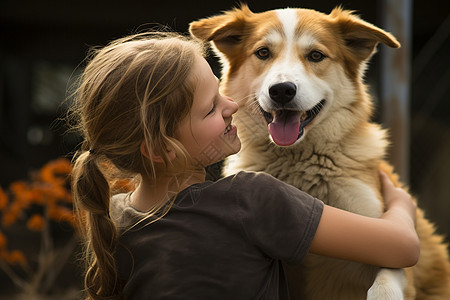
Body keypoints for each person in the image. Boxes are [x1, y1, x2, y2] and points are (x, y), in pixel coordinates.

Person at [70, 31, 419, 300]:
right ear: (160, 149)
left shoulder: (117, 220)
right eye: (210, 108)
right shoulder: (249, 199)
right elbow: (402, 246)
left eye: (221, 91)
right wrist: (400, 203)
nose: (232, 105)